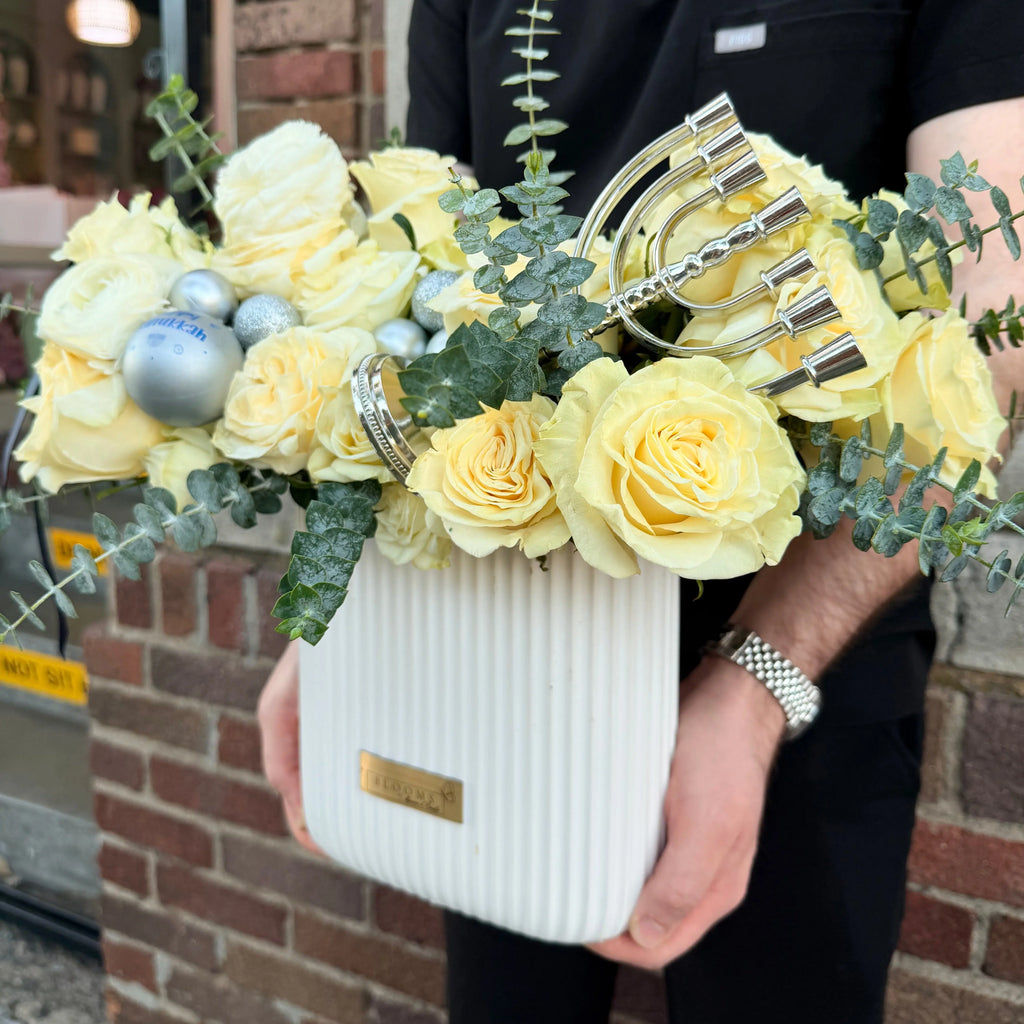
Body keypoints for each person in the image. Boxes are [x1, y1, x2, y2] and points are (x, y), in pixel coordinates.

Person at [259, 2, 1024, 1021]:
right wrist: (341, 612)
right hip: (502, 643)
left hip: (796, 668)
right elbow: (415, 299)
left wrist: (756, 683)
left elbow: (984, 326)